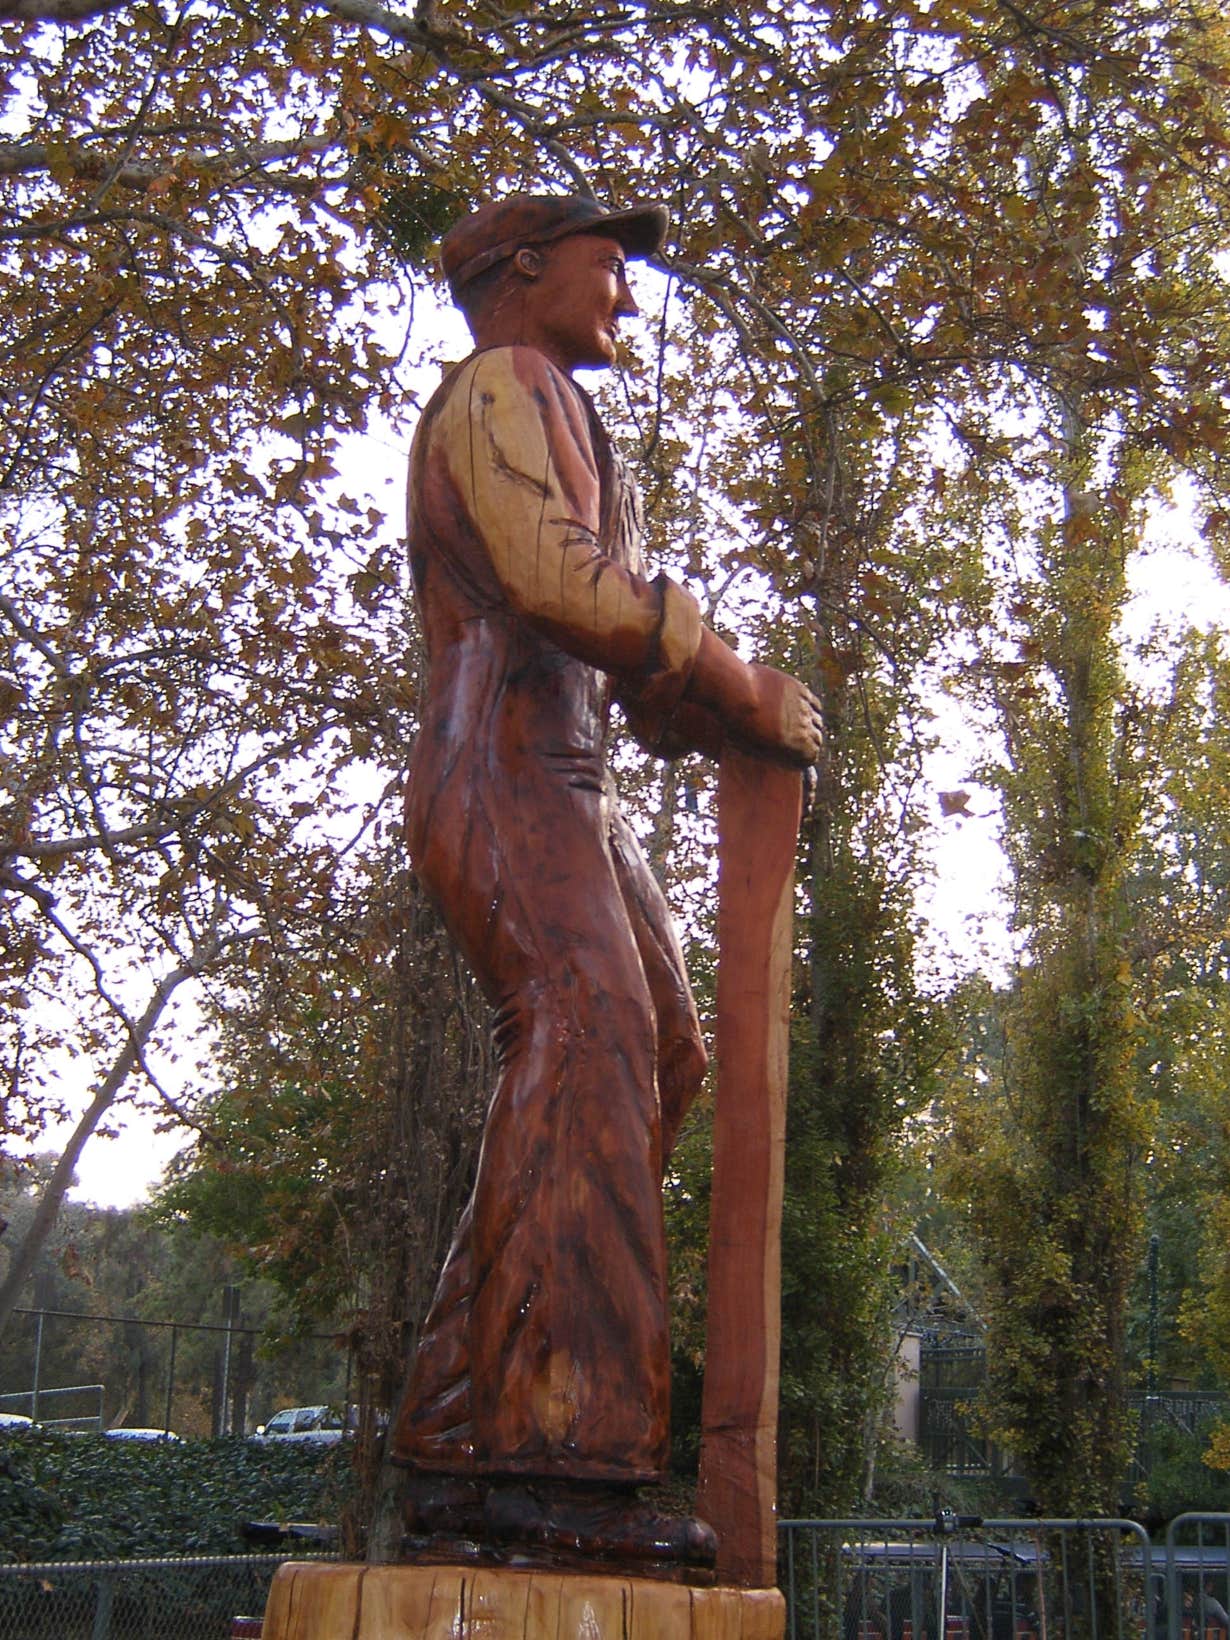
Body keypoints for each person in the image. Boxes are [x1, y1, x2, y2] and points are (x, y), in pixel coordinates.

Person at [390, 193, 823, 1568]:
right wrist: (728, 673)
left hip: (570, 776)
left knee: (664, 1052)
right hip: (503, 769)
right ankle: (553, 1450)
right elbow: (551, 579)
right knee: (591, 1043)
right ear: (527, 269)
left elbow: (611, 631)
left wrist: (724, 708)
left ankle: (476, 1410)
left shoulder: (564, 412)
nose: (627, 297)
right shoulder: (502, 384)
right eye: (609, 267)